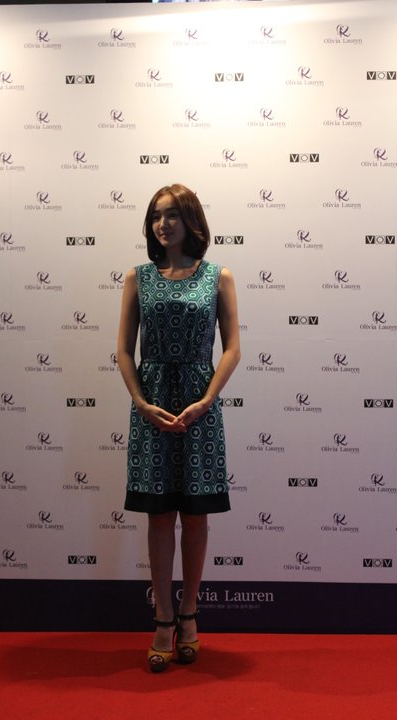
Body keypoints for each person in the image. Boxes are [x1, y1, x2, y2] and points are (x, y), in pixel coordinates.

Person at [117, 183, 241, 672]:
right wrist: (141, 403)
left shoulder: (218, 276)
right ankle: (163, 620)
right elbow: (124, 350)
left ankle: (189, 614)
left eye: (171, 215)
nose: (162, 224)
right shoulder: (138, 277)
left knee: (195, 515)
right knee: (158, 515)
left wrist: (207, 399)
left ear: (191, 220)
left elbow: (232, 348)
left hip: (199, 405)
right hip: (151, 405)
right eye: (155, 216)